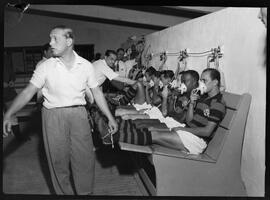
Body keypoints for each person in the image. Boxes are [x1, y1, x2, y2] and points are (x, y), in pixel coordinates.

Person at [3, 25, 118, 195]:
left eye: (55, 38)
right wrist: (8, 113)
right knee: (58, 162)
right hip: (52, 116)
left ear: (69, 41)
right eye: (50, 38)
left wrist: (110, 117)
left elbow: (97, 93)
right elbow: (28, 91)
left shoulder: (86, 66)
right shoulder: (45, 66)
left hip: (79, 114)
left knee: (84, 159)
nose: (50, 43)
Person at [98, 68, 226, 155]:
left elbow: (207, 131)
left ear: (215, 83)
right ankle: (110, 130)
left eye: (204, 81)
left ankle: (112, 137)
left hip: (197, 141)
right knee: (148, 129)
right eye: (201, 80)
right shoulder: (203, 98)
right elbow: (189, 121)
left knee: (154, 135)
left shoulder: (218, 103)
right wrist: (192, 103)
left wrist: (183, 129)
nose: (201, 83)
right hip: (187, 131)